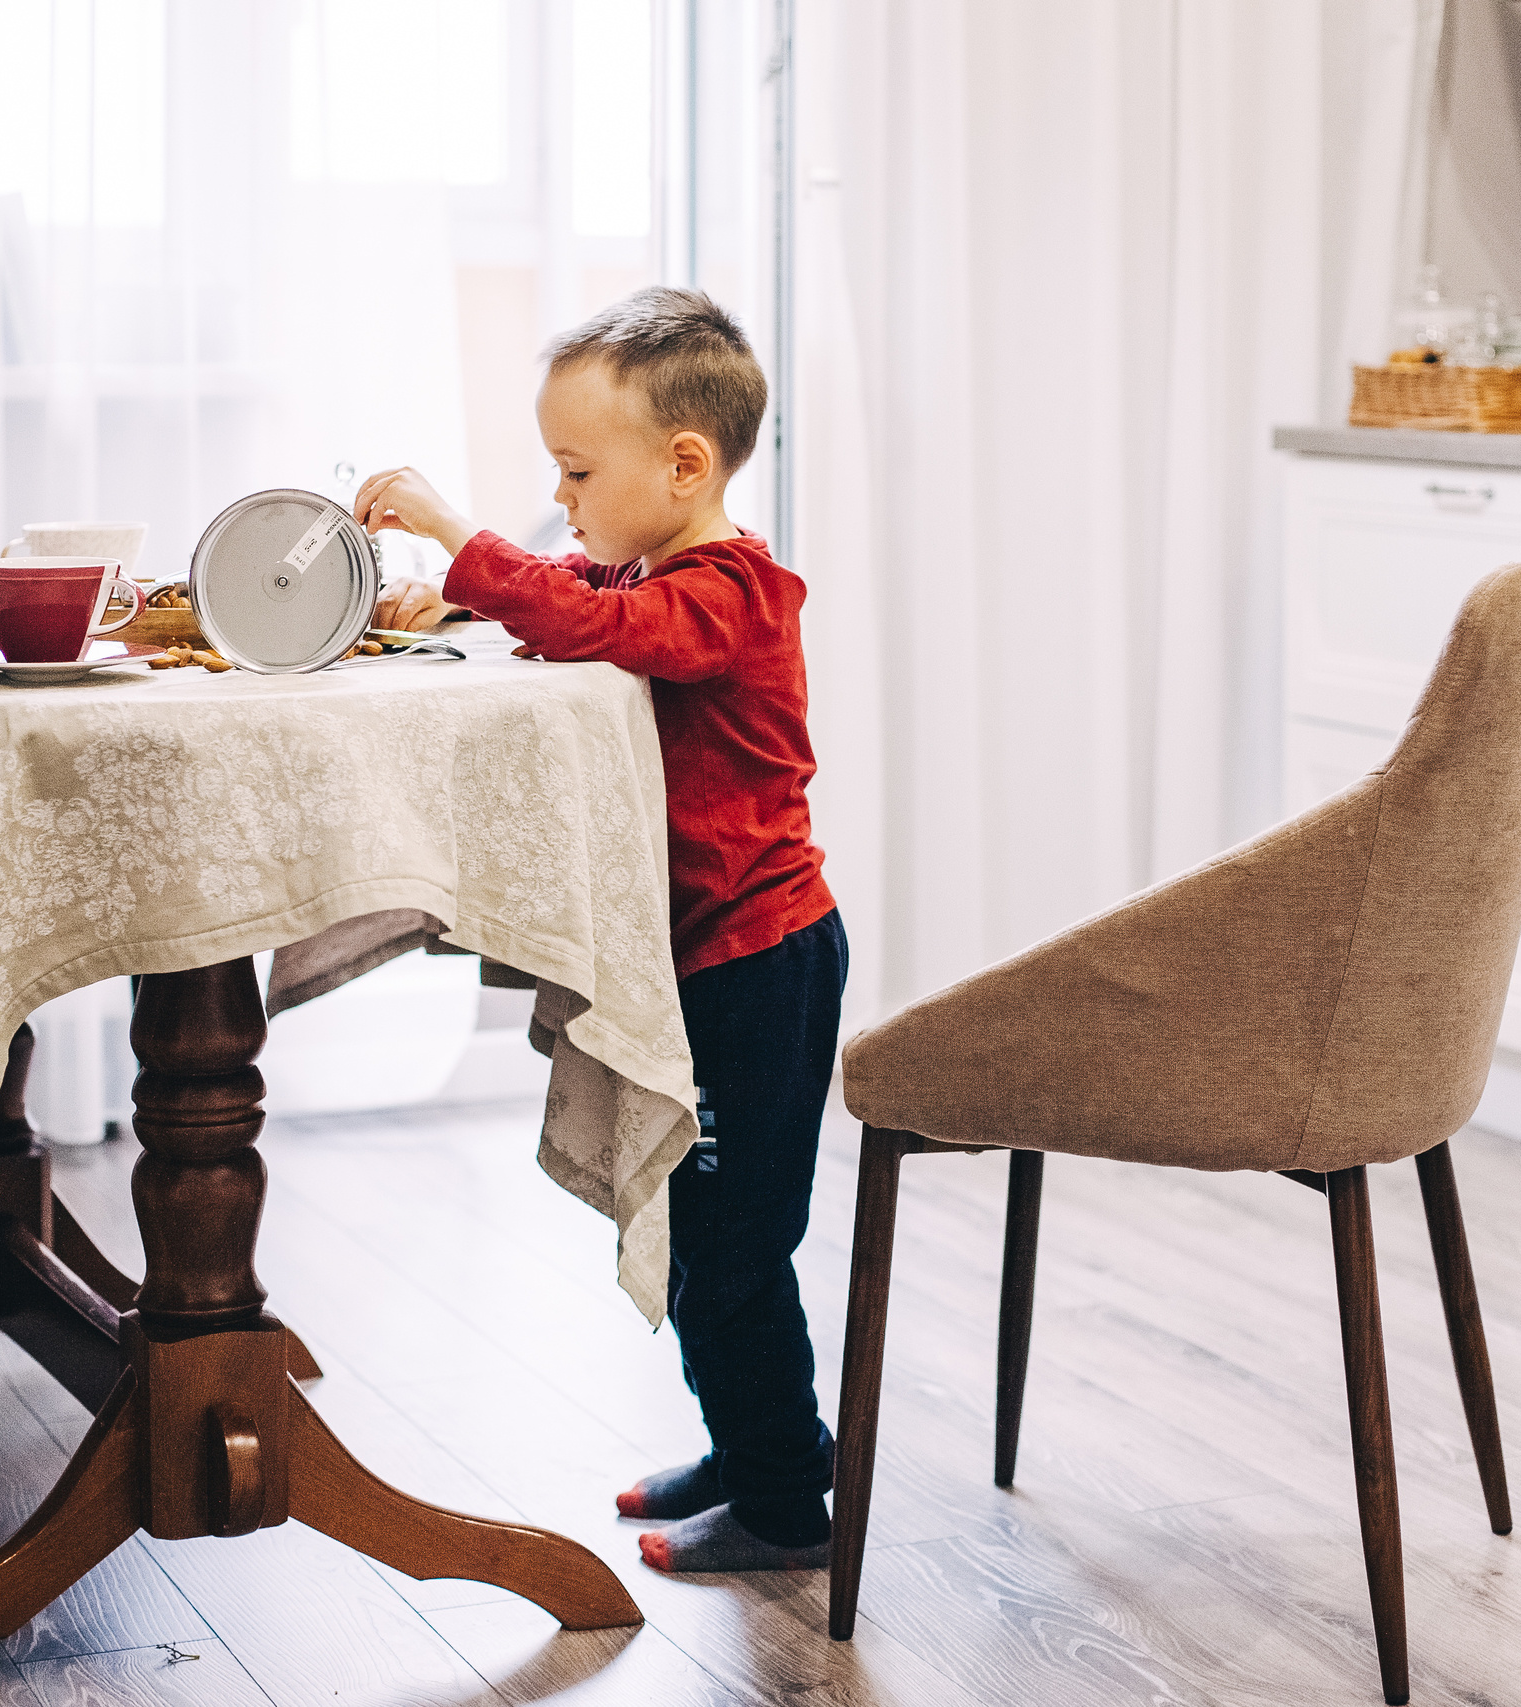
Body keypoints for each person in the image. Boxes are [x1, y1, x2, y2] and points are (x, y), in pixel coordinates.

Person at [353, 286, 845, 1574]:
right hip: (705, 958)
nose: (561, 499)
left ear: (685, 466)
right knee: (697, 1234)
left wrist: (455, 532)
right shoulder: (652, 571)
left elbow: (594, 622)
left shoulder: (732, 593)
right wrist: (457, 605)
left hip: (760, 964)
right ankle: (747, 1445)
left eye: (575, 471)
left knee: (736, 1256)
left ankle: (792, 1500)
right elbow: (572, 593)